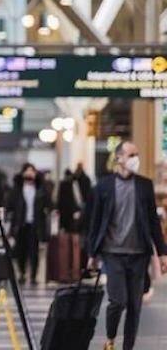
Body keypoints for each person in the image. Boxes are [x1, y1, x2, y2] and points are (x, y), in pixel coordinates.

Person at [87, 140, 167, 350]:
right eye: (131, 155)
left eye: (136, 155)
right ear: (119, 158)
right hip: (113, 254)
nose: (135, 159)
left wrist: (162, 253)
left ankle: (128, 347)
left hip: (139, 254)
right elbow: (95, 222)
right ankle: (111, 338)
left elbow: (152, 221)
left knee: (134, 306)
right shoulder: (104, 186)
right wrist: (91, 254)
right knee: (118, 301)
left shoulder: (144, 185)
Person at [7, 164, 51, 285]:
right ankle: (22, 273)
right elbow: (10, 206)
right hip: (21, 224)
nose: (30, 174)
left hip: (35, 225)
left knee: (34, 251)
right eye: (27, 172)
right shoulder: (17, 190)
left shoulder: (40, 190)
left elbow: (49, 204)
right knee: (20, 250)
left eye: (32, 171)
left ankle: (33, 275)